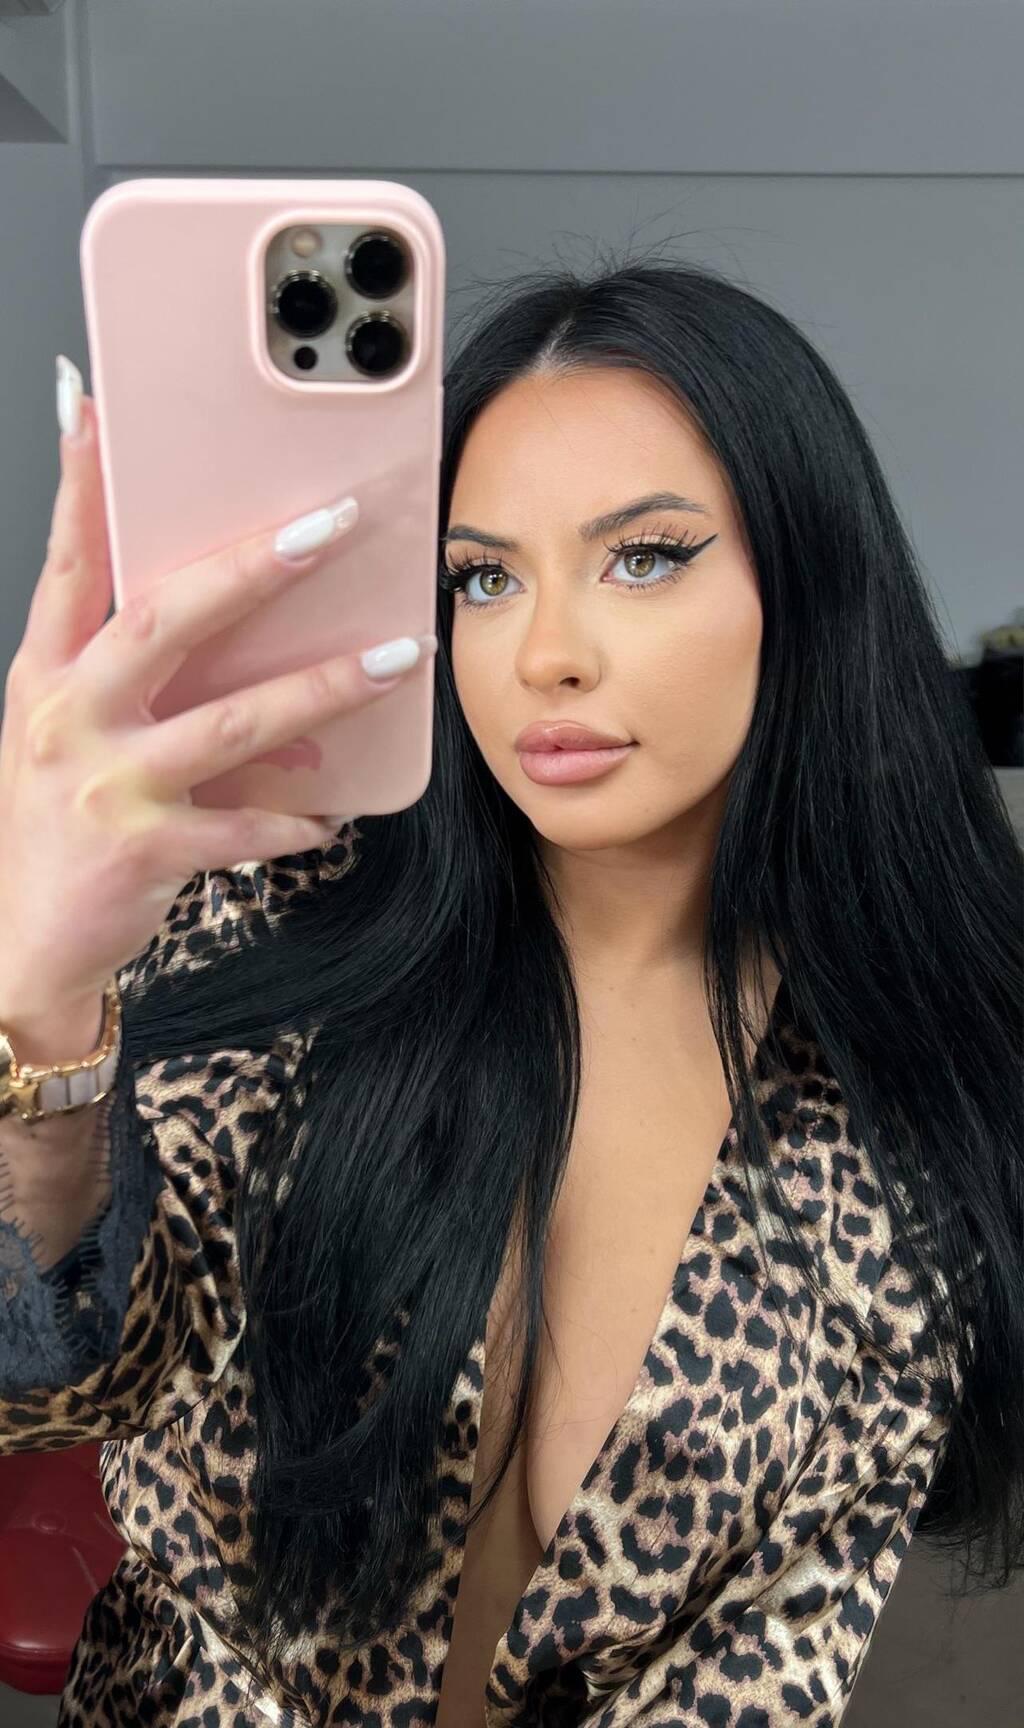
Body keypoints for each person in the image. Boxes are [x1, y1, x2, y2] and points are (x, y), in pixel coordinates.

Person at [0, 256, 1020, 1728]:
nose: (545, 655)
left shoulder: (908, 1097)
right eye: (483, 578)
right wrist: (38, 1002)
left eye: (644, 557)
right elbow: (54, 1390)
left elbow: (768, 1669)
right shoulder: (279, 916)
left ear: (807, 587)